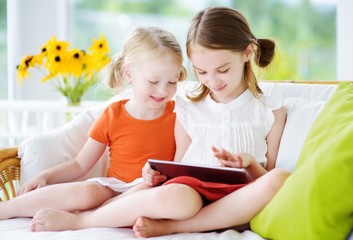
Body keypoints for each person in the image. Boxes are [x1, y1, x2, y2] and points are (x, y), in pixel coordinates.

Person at [28, 6, 290, 236]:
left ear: (247, 53)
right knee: (175, 198)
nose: (213, 81)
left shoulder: (271, 110)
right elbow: (176, 167)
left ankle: (173, 228)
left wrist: (250, 163)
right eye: (201, 72)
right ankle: (82, 220)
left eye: (222, 70)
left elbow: (264, 179)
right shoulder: (188, 108)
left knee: (279, 178)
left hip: (239, 197)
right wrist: (152, 174)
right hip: (191, 195)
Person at [0, 26, 187, 222]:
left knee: (144, 188)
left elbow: (178, 169)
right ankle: (6, 209)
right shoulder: (113, 114)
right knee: (87, 191)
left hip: (150, 191)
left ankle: (89, 216)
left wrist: (156, 177)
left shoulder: (178, 115)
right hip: (113, 188)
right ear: (128, 73)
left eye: (172, 82)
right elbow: (80, 164)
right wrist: (45, 177)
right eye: (153, 81)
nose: (163, 91)